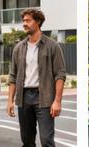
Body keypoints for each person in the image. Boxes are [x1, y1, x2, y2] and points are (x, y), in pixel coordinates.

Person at [7, 8, 66, 147]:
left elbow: (60, 75)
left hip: (44, 98)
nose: (24, 23)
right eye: (23, 21)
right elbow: (13, 76)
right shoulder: (19, 48)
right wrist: (10, 101)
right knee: (27, 140)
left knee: (46, 140)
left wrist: (57, 101)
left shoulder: (53, 46)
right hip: (24, 98)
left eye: (28, 20)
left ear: (38, 21)